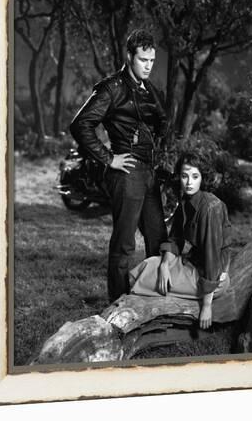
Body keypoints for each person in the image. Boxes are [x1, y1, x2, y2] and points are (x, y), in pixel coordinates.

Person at [70, 29, 168, 302]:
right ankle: (118, 306)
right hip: (126, 173)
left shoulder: (150, 89)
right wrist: (109, 158)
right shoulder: (112, 87)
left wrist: (160, 138)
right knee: (124, 245)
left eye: (152, 60)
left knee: (159, 240)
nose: (148, 66)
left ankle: (156, 301)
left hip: (149, 173)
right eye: (143, 60)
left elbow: (162, 121)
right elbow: (80, 124)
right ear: (129, 56)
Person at [129, 151, 232, 329]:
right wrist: (164, 265)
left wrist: (206, 307)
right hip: (193, 264)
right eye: (184, 176)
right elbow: (175, 238)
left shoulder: (210, 208)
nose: (189, 182)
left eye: (195, 176)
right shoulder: (186, 201)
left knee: (143, 278)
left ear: (203, 178)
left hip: (211, 278)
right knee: (149, 266)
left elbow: (212, 258)